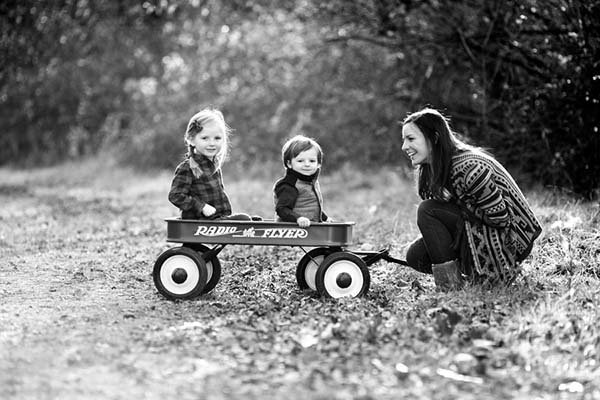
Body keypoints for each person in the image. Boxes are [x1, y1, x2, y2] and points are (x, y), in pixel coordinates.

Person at [400, 107, 542, 290]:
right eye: (404, 140)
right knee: (416, 256)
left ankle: (452, 286)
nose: (404, 147)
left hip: (511, 242)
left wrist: (456, 203)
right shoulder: (435, 168)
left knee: (428, 210)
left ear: (434, 138)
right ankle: (469, 278)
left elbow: (500, 217)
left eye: (411, 139)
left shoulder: (470, 167)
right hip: (479, 231)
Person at [168, 108, 254, 221]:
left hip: (218, 218)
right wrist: (201, 206)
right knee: (244, 219)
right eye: (205, 138)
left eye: (217, 138)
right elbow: (175, 195)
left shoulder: (214, 166)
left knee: (250, 220)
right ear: (191, 140)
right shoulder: (187, 168)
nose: (212, 143)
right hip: (200, 221)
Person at [273, 135, 331, 227]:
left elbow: (310, 205)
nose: (307, 164)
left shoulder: (311, 182)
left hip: (309, 230)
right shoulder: (289, 185)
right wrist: (298, 218)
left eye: (312, 161)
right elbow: (282, 209)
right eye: (300, 161)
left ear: (319, 163)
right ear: (289, 163)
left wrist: (325, 218)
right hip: (290, 230)